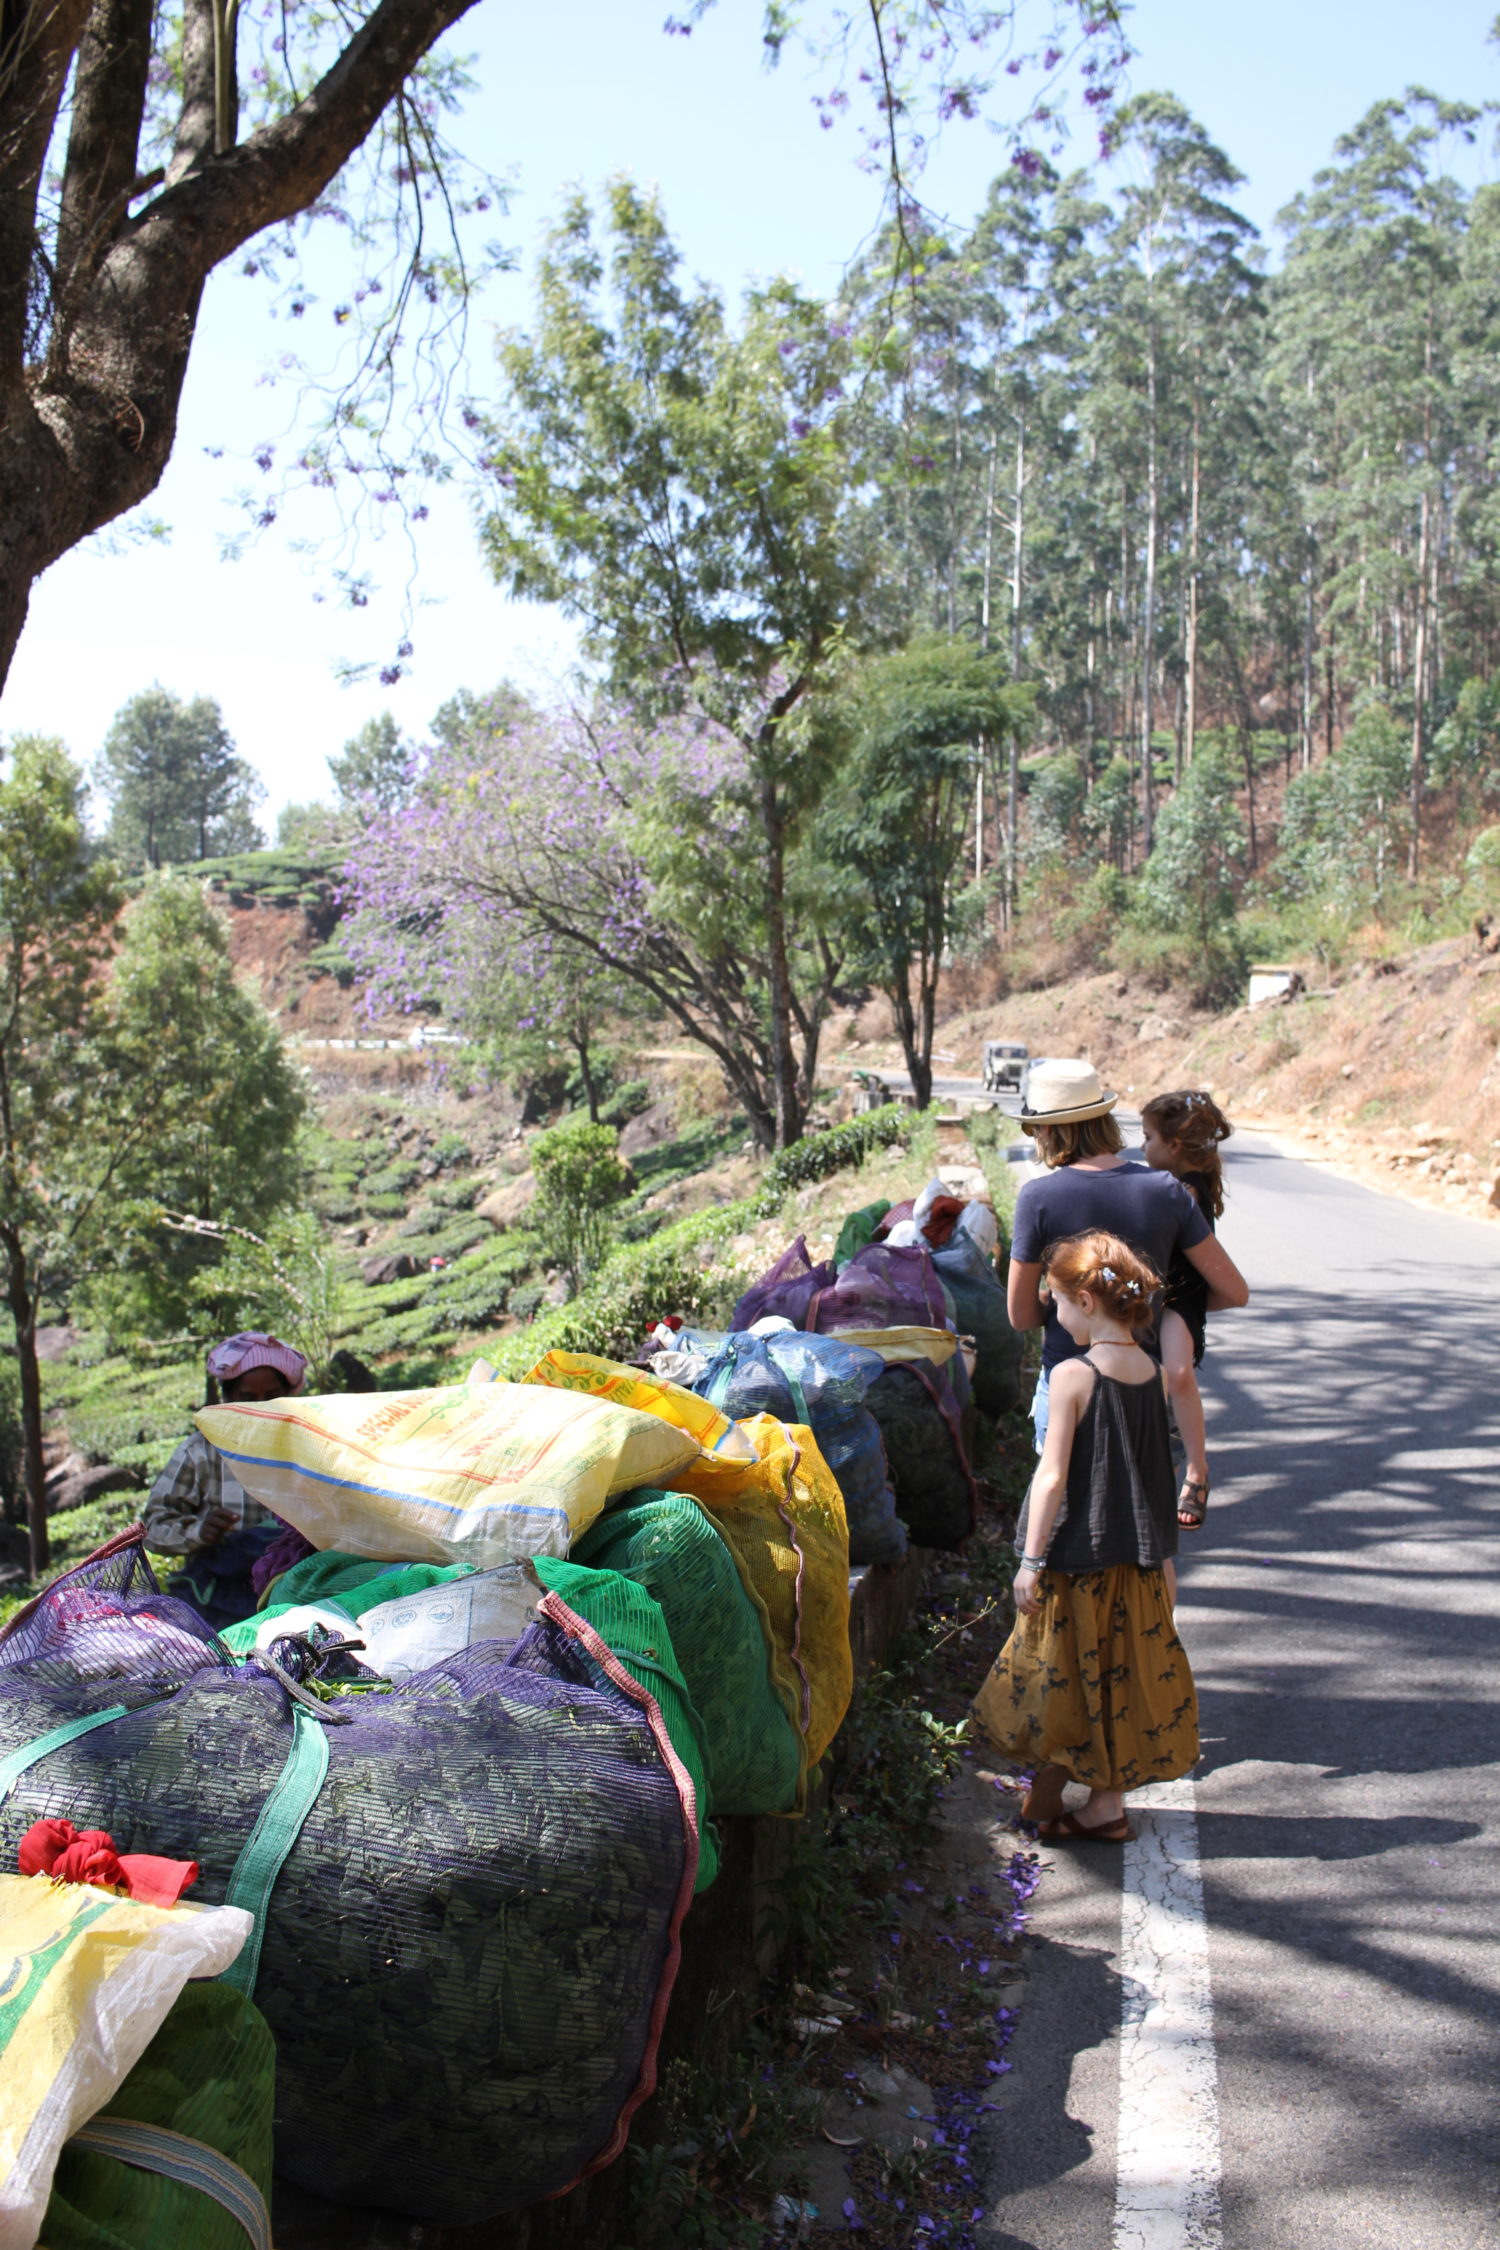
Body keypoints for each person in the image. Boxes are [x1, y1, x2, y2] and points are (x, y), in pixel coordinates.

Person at [973, 1230, 1199, 1841]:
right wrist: (1164, 1559)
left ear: (1088, 1301)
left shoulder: (1074, 1375)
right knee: (1120, 1676)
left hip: (1077, 1556)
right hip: (1137, 1560)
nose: (1054, 1314)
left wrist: (1030, 1558)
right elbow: (1155, 1471)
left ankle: (1051, 1789)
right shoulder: (1149, 1371)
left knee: (1065, 1674)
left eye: (1057, 1303)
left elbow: (1051, 1478)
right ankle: (1104, 1804)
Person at [1006, 1060, 1249, 1523]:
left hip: (1067, 1382)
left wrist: (1060, 1302)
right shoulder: (1166, 1189)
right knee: (1149, 1537)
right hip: (1146, 1384)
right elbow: (1233, 1291)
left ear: (1051, 1132)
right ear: (1099, 1118)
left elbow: (1019, 1316)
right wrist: (1159, 1306)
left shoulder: (1039, 1198)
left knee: (1064, 1526)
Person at [142, 1331, 307, 1629]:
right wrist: (199, 1532)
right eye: (247, 1398)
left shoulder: (309, 1445)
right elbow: (154, 1527)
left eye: (271, 1396)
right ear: (228, 1398)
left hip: (299, 1583)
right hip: (224, 1592)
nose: (260, 1407)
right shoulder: (201, 1451)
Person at [1139, 1089, 1234, 1529]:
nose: (1142, 1148)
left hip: (1182, 1296)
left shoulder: (1184, 1190)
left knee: (1177, 1372)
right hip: (1159, 1292)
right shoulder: (1175, 1182)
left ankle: (1197, 1471)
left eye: (1148, 1138)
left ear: (1174, 1146)